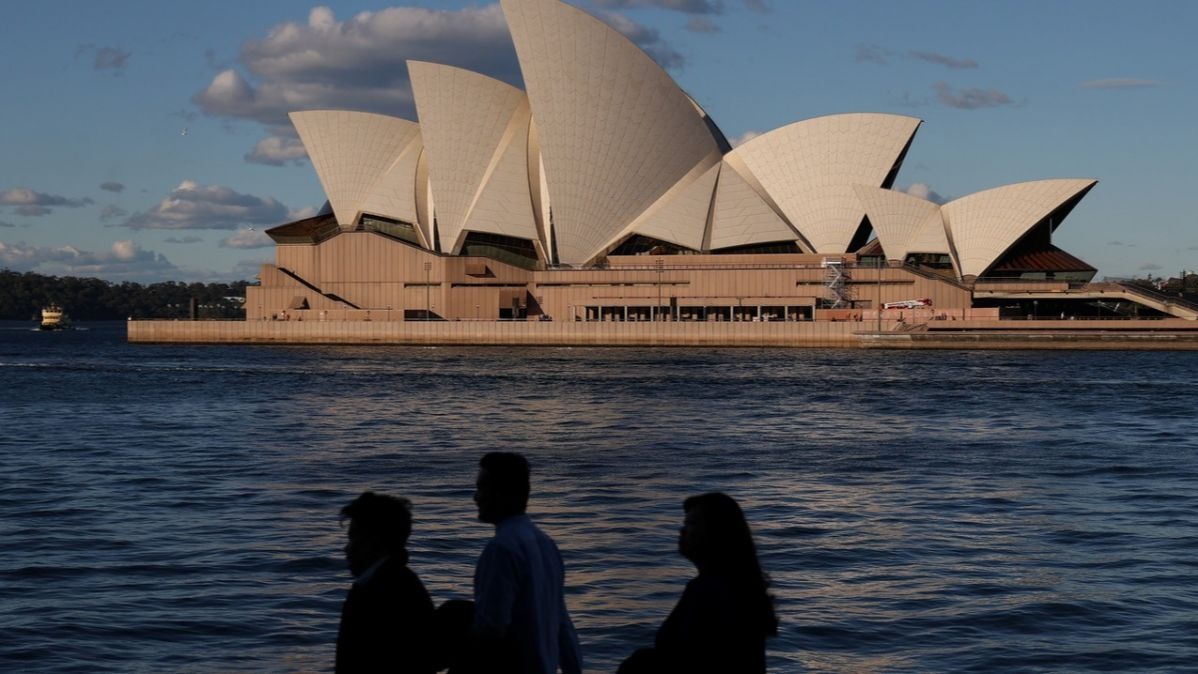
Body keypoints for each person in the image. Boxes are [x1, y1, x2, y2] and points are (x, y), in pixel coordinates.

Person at [619, 492, 778, 674]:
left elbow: (694, 659)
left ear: (717, 532)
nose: (682, 530)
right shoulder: (734, 587)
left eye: (692, 523)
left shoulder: (714, 591)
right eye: (684, 523)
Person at [471, 452, 582, 674]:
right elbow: (562, 623)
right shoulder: (546, 543)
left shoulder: (501, 549)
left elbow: (491, 629)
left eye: (483, 488)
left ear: (505, 494)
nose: (476, 497)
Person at [335, 491, 436, 674]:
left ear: (374, 543)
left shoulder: (385, 591)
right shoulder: (392, 583)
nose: (347, 549)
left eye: (353, 539)